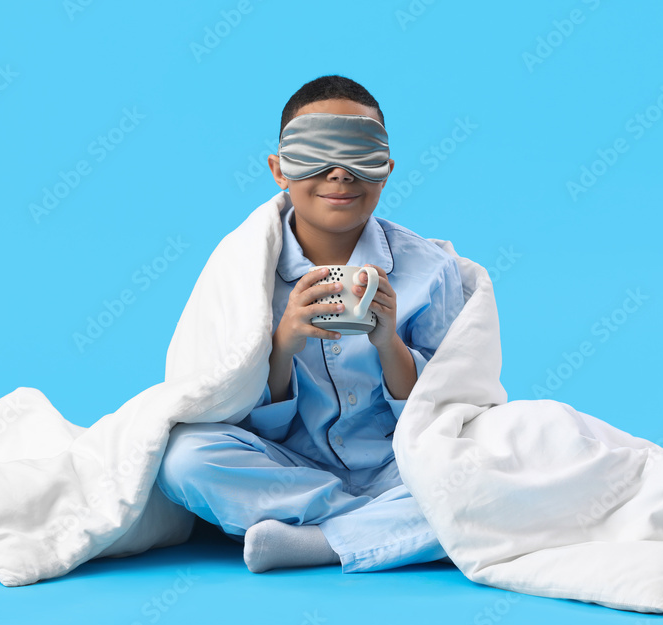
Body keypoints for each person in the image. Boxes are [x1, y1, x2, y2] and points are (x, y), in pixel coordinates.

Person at [155, 74, 465, 574]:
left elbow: (449, 410)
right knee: (182, 460)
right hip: (285, 468)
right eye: (316, 155)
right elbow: (223, 404)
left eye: (359, 156)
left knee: (496, 460)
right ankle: (387, 528)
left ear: (385, 169)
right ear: (280, 169)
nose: (340, 174)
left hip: (399, 468)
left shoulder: (432, 270)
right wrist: (281, 345)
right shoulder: (241, 270)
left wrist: (391, 347)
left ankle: (316, 541)